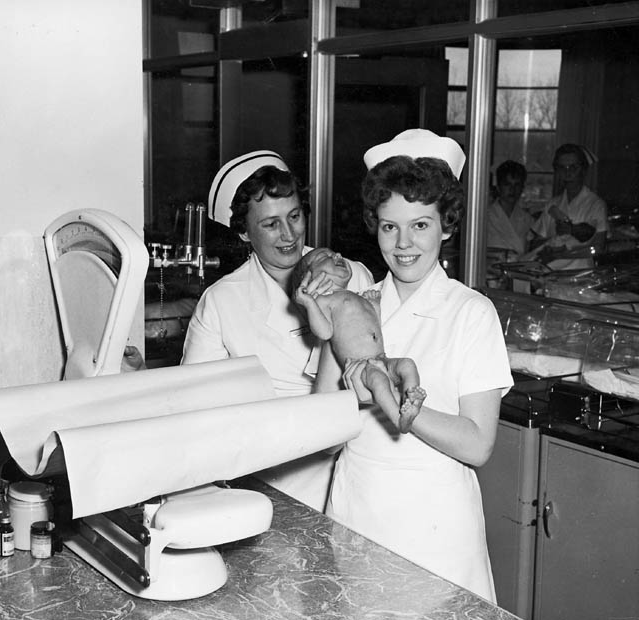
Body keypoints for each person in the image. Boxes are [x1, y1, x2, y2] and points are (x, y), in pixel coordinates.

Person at [321, 129, 513, 602]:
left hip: (435, 532)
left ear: (447, 226)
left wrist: (395, 404)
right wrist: (348, 384)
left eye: (420, 225)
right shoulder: (353, 308)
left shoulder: (472, 313)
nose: (404, 242)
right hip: (356, 512)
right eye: (390, 226)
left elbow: (478, 443)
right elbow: (322, 439)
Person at [181, 150, 374, 512]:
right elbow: (195, 408)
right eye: (270, 224)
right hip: (278, 486)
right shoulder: (223, 302)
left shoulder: (352, 275)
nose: (289, 235)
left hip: (356, 478)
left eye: (295, 216)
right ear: (243, 231)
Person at [291, 247, 425, 432]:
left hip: (382, 358)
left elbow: (373, 327)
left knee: (407, 365)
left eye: (336, 253)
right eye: (325, 257)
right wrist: (309, 304)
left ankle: (412, 400)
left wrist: (375, 306)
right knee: (379, 383)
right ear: (309, 278)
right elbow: (325, 333)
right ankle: (399, 419)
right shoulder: (325, 302)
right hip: (362, 365)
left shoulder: (356, 295)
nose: (337, 255)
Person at [528, 143, 608, 270]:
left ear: (583, 169)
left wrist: (564, 252)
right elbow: (535, 244)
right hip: (549, 275)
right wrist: (552, 243)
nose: (567, 173)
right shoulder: (552, 204)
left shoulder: (596, 205)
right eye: (562, 168)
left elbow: (598, 248)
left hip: (580, 276)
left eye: (573, 167)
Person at [486, 160, 537, 261]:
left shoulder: (528, 220)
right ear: (499, 187)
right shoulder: (484, 217)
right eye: (507, 184)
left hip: (519, 273)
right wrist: (503, 253)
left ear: (522, 188)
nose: (512, 189)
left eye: (517, 185)